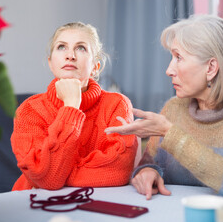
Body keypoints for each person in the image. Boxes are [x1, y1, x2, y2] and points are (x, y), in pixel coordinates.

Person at [105, 14, 223, 200]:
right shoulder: (174, 108)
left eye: (179, 57)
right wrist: (147, 172)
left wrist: (169, 133)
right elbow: (149, 163)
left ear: (211, 68)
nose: (169, 70)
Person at [11, 22, 138, 191]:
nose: (70, 55)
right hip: (33, 205)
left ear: (95, 66)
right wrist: (71, 107)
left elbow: (118, 170)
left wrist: (59, 174)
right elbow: (46, 178)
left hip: (95, 205)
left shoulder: (117, 105)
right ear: (51, 63)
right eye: (61, 47)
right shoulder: (29, 110)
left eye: (81, 48)